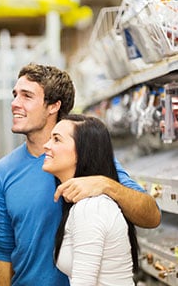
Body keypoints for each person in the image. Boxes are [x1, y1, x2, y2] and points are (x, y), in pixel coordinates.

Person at [0, 63, 160, 286]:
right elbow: (3, 248)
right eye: (15, 95)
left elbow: (151, 216)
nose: (14, 104)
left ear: (53, 106)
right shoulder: (5, 170)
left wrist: (106, 185)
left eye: (26, 96)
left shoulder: (87, 161)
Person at [43, 114, 139, 285]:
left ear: (82, 152)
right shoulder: (86, 204)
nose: (46, 146)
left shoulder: (90, 208)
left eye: (56, 140)